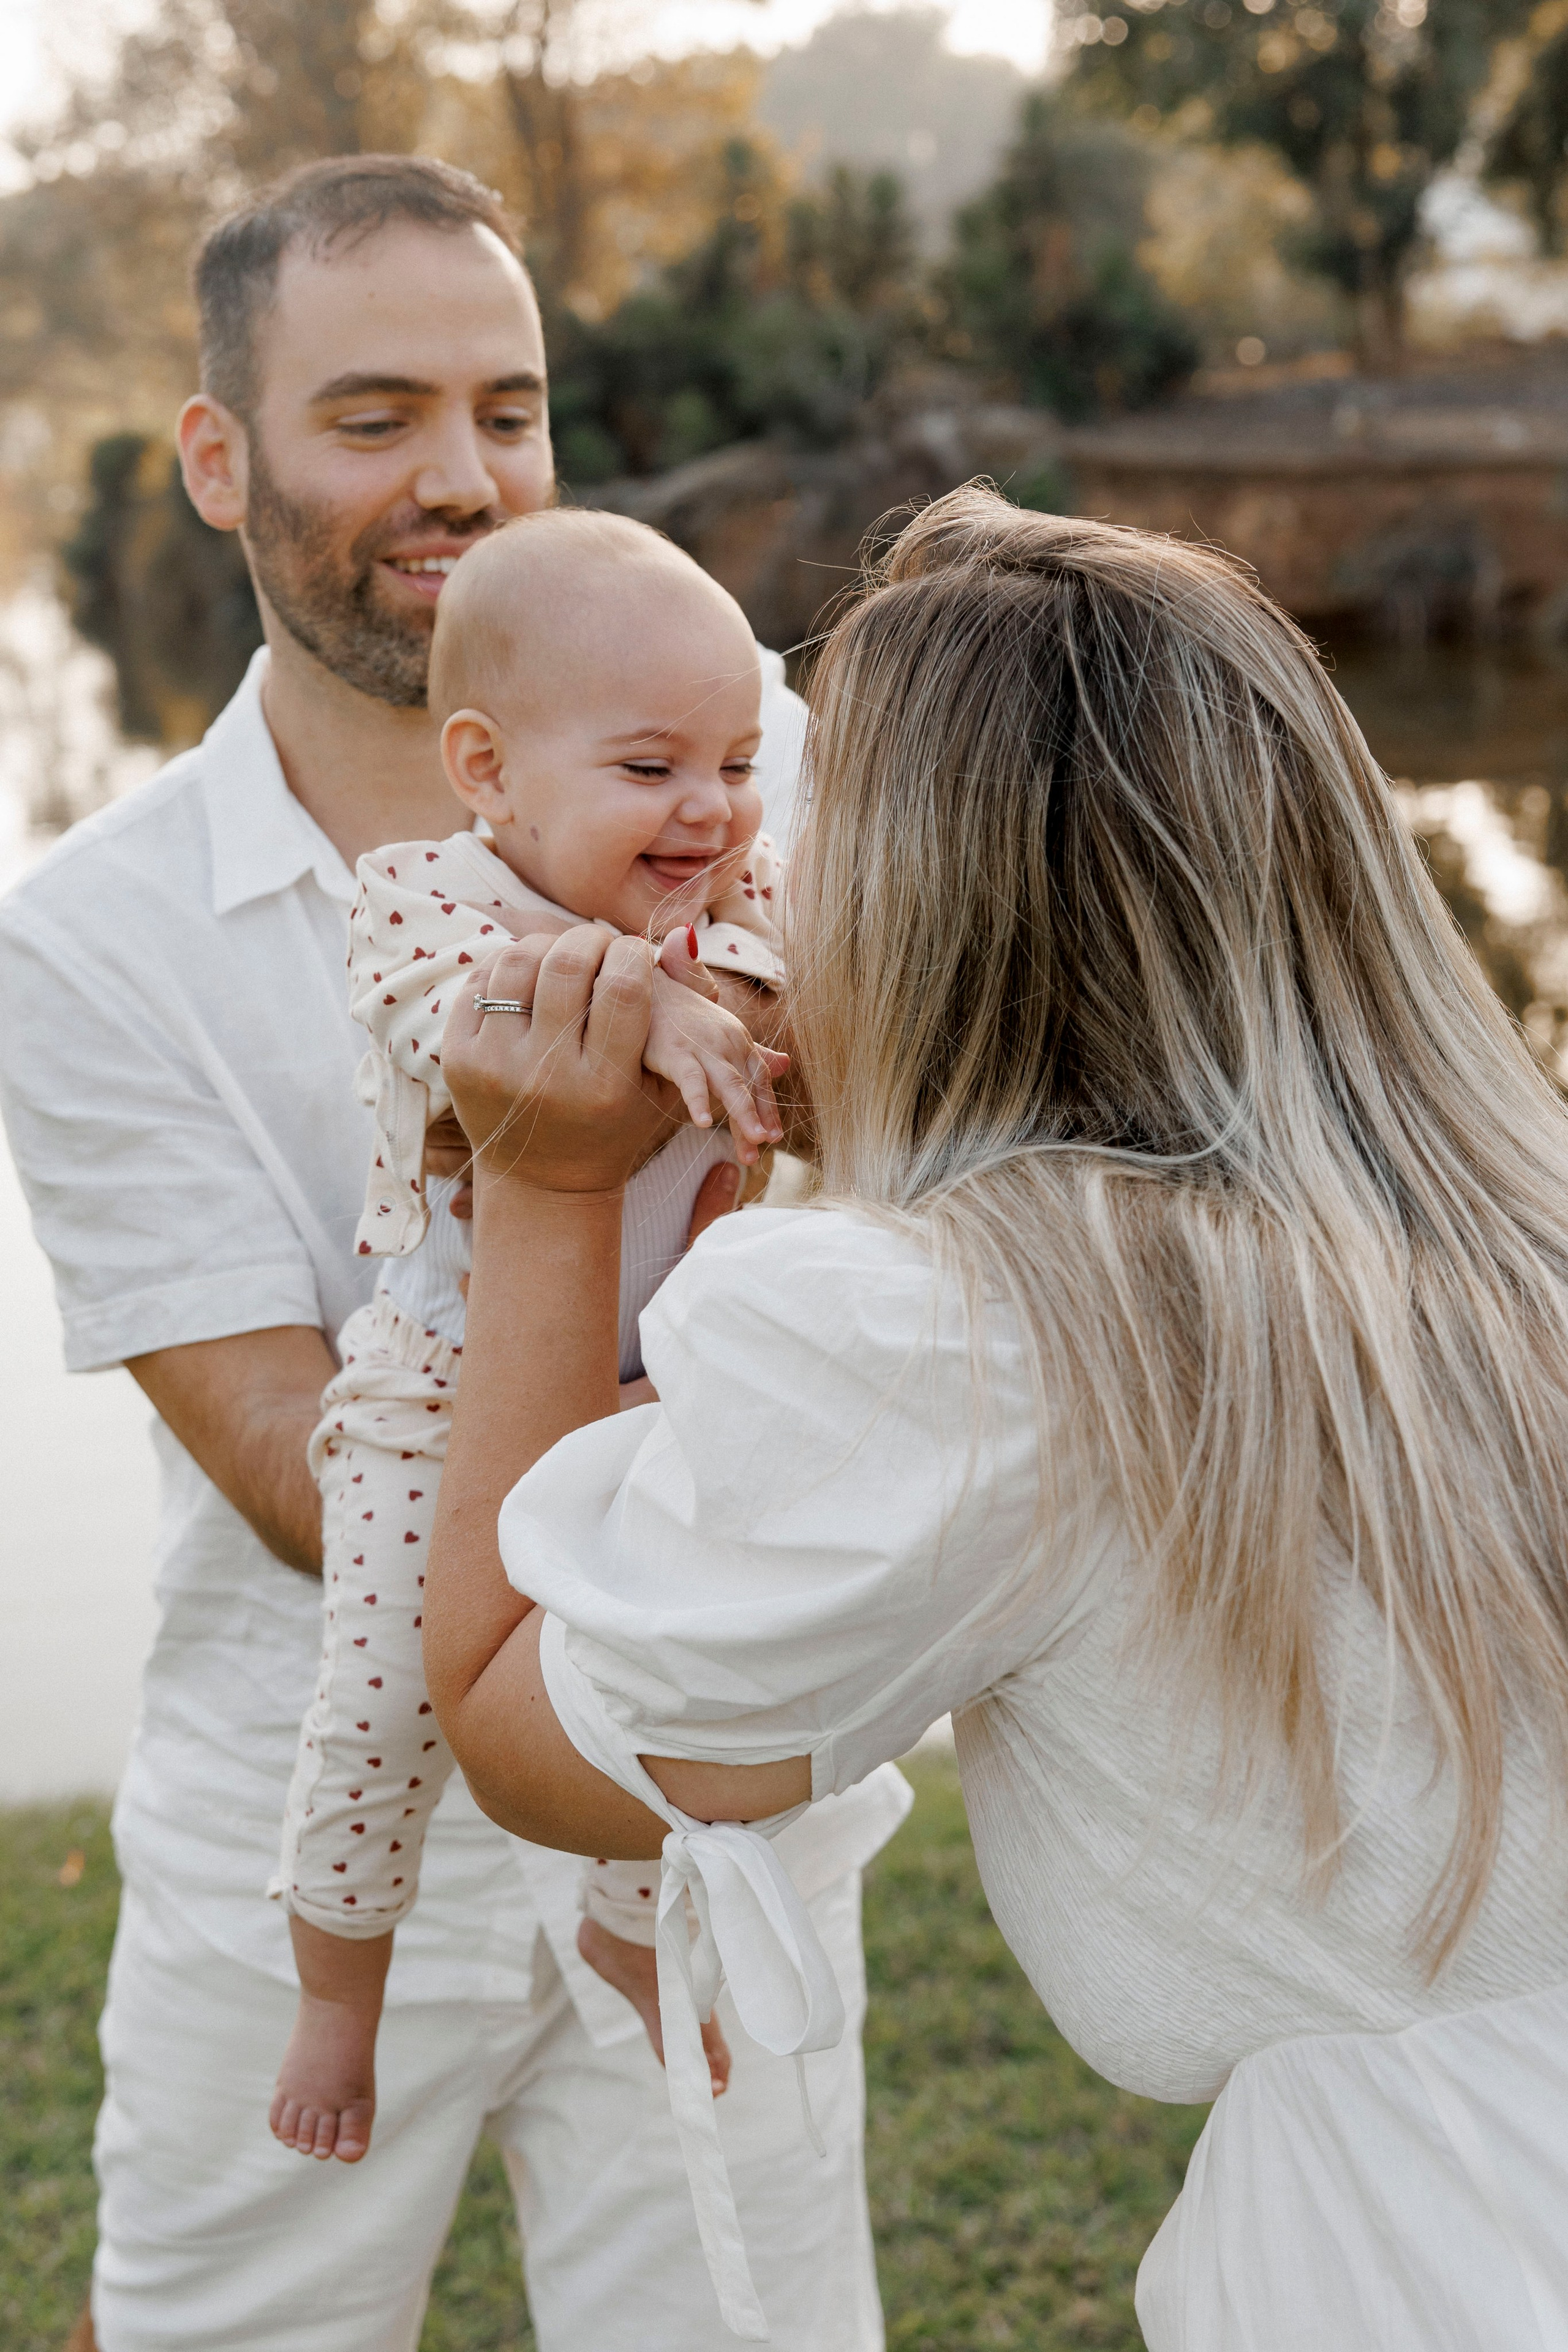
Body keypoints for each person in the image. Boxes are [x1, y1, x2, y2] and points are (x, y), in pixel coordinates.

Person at [423, 486, 1568, 2350]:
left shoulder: (960, 1339)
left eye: (804, 824)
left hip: (1433, 2263)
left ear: (924, 906)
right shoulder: (1516, 1221)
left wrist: (550, 1193)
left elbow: (511, 1719)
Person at [0, 155, 907, 2352]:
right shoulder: (82, 937)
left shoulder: (762, 767)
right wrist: (557, 1187)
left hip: (703, 1785)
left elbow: (925, 1207)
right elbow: (307, 1479)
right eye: (378, 413)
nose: (465, 479)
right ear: (216, 459)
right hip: (311, 1820)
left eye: (508, 409)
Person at [271, 508, 792, 2162]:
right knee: (379, 1714)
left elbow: (806, 1036)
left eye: (733, 760)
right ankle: (336, 1996)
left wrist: (761, 1008)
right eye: (651, 768)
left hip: (655, 1388)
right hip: (439, 1403)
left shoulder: (741, 903)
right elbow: (479, 1024)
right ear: (487, 772)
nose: (708, 808)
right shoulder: (420, 901)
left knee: (661, 1679)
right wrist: (653, 1000)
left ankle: (631, 1928)